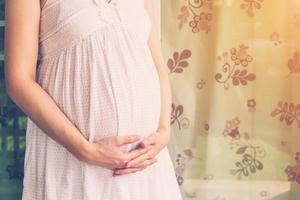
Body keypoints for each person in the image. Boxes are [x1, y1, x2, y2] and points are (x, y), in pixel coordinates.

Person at [4, 0, 183, 199]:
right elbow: (19, 81)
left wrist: (164, 130)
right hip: (72, 163)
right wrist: (86, 150)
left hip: (145, 167)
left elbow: (157, 64)